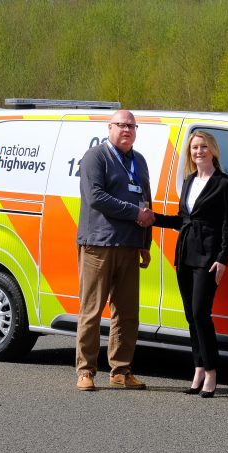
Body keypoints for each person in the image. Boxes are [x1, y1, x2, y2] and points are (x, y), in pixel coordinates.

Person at [75, 110, 155, 391]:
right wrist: (135, 213)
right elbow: (96, 197)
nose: (127, 130)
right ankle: (85, 371)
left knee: (127, 312)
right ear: (109, 128)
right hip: (99, 244)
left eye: (132, 126)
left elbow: (146, 202)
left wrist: (145, 242)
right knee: (92, 310)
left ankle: (121, 370)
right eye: (121, 125)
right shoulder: (95, 157)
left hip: (129, 246)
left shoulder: (139, 160)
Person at [154, 131, 228, 398]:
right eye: (193, 148)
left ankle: (212, 372)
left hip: (209, 256)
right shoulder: (189, 181)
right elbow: (182, 220)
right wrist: (153, 219)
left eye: (202, 147)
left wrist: (223, 259)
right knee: (191, 315)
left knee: (202, 312)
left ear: (212, 150)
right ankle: (198, 368)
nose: (198, 152)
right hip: (186, 252)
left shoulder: (224, 184)